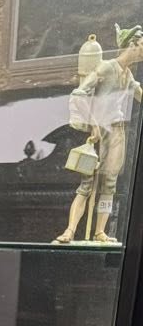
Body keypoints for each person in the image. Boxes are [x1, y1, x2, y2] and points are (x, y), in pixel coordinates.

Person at [55, 23, 143, 245]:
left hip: (116, 132)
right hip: (99, 132)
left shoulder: (127, 75)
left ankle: (99, 231)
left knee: (109, 184)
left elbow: (138, 93)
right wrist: (92, 123)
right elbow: (79, 93)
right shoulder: (106, 68)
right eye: (142, 46)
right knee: (87, 183)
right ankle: (70, 230)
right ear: (132, 45)